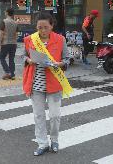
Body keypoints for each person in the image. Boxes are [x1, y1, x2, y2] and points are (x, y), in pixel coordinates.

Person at [23, 13, 72, 156]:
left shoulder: (60, 39)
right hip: (36, 84)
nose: (42, 30)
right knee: (38, 115)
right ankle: (42, 143)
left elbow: (67, 59)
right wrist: (28, 60)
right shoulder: (30, 39)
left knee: (55, 115)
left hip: (54, 83)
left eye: (45, 27)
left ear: (52, 25)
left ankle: (55, 140)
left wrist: (60, 63)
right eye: (39, 27)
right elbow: (23, 55)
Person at [0, 8, 18, 80]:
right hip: (13, 43)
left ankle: (7, 72)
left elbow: (1, 33)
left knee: (2, 57)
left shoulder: (4, 21)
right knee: (11, 59)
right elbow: (16, 35)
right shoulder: (15, 23)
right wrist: (14, 41)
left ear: (7, 13)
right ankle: (12, 75)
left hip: (5, 43)